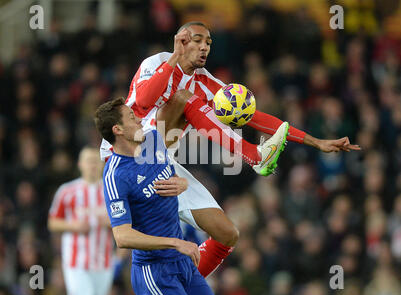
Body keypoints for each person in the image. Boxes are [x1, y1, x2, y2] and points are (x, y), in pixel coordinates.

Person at [100, 21, 361, 279]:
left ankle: (184, 287)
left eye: (209, 43)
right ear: (181, 40)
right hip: (126, 152)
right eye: (198, 40)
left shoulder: (206, 83)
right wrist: (176, 57)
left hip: (160, 162)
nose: (204, 47)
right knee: (183, 98)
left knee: (227, 234)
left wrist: (314, 141)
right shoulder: (156, 62)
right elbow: (143, 103)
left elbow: (252, 117)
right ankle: (254, 155)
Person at [94, 98, 215, 295]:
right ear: (118, 130)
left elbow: (170, 177)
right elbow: (122, 237)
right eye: (132, 118)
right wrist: (175, 243)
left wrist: (182, 184)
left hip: (183, 261)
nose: (140, 120)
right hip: (155, 272)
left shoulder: (154, 140)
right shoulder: (115, 176)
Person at [48, 147, 114, 295]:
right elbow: (52, 223)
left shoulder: (111, 190)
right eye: (89, 161)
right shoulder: (67, 191)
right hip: (76, 261)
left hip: (104, 261)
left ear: (102, 164)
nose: (93, 165)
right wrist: (73, 226)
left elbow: (126, 219)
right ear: (80, 164)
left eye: (96, 161)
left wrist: (111, 222)